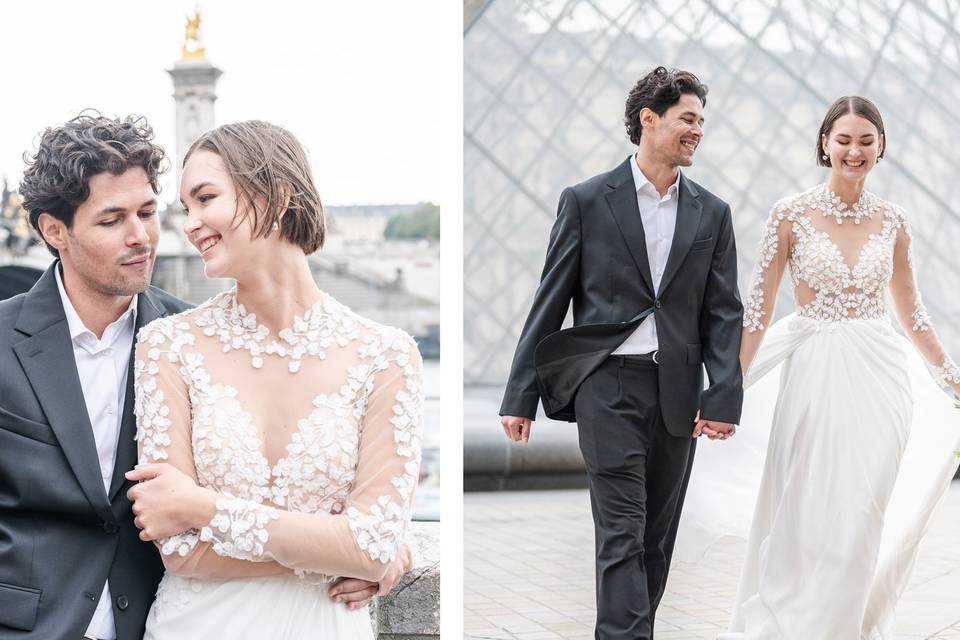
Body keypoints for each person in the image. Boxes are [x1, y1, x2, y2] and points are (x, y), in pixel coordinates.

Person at [123, 120, 423, 639]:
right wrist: (338, 553)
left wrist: (203, 506)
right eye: (185, 208)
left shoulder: (387, 356)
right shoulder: (166, 346)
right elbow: (178, 549)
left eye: (205, 198)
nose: (189, 224)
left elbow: (372, 547)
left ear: (276, 194)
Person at [680, 96, 960, 639]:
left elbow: (912, 311)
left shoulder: (895, 221)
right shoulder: (789, 214)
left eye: (866, 140)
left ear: (881, 147)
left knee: (861, 515)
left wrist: (952, 374)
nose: (854, 151)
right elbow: (757, 314)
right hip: (814, 375)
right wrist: (723, 391)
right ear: (824, 144)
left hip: (882, 379)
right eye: (844, 139)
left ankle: (840, 627)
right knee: (806, 510)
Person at [499, 67, 744, 640]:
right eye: (688, 119)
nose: (698, 131)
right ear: (648, 120)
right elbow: (549, 300)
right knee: (620, 534)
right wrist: (521, 396)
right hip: (606, 388)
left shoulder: (713, 213)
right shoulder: (586, 201)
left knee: (655, 542)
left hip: (678, 394)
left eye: (701, 122)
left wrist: (724, 393)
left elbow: (723, 312)